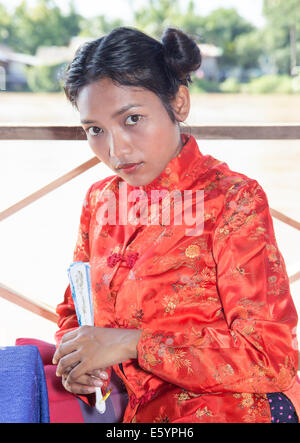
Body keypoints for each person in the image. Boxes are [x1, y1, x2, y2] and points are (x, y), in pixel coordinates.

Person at [52, 26, 300, 423]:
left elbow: (270, 357)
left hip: (227, 409)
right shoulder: (100, 200)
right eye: (95, 130)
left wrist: (131, 344)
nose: (115, 150)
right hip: (124, 410)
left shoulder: (232, 200)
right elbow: (74, 310)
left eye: (132, 119)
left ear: (178, 103)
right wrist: (79, 363)